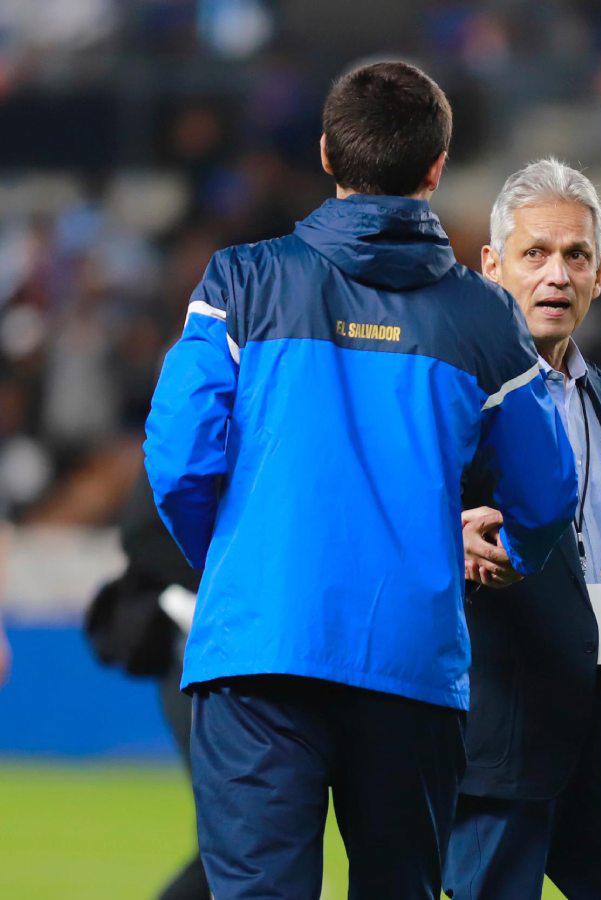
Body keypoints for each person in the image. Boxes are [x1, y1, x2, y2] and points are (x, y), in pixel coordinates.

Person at [143, 62, 578, 899]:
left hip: (259, 650)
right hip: (409, 661)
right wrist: (510, 549)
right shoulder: (483, 316)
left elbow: (180, 455)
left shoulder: (240, 282)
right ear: (436, 168)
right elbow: (547, 490)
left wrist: (235, 559)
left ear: (325, 153)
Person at [442, 159, 601, 899]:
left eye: (575, 255)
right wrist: (450, 534)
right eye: (534, 253)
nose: (556, 274)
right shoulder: (452, 383)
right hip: (504, 720)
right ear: (491, 265)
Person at [86, 474, 208, 900]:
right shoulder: (198, 428)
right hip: (188, 653)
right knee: (234, 833)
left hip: (235, 654)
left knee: (243, 835)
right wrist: (219, 578)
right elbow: (139, 533)